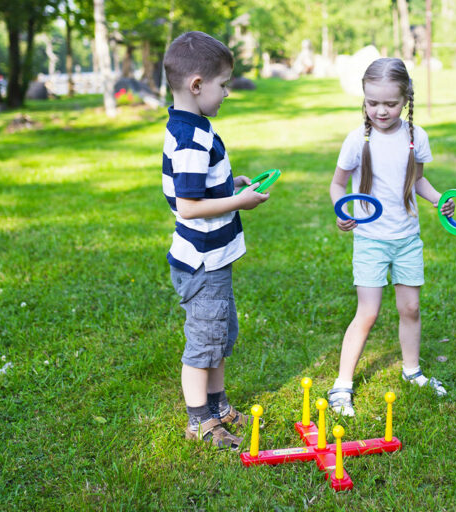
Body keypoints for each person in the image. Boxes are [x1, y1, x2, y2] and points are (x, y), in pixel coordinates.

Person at [327, 57, 455, 417]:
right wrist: (343, 210)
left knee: (410, 308)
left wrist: (439, 200)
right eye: (372, 102)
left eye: (390, 103)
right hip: (370, 239)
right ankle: (342, 385)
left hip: (406, 238)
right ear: (364, 99)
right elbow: (337, 185)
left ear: (406, 99)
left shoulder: (416, 137)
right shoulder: (356, 140)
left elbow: (417, 180)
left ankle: (412, 371)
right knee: (367, 312)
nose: (380, 111)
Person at [162, 31, 269, 448]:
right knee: (203, 345)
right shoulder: (191, 137)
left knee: (219, 337)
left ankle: (218, 405)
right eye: (223, 85)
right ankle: (198, 422)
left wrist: (231, 185)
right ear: (196, 85)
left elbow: (201, 188)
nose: (227, 93)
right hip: (202, 264)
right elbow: (187, 206)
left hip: (214, 259)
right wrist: (238, 202)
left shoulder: (195, 127)